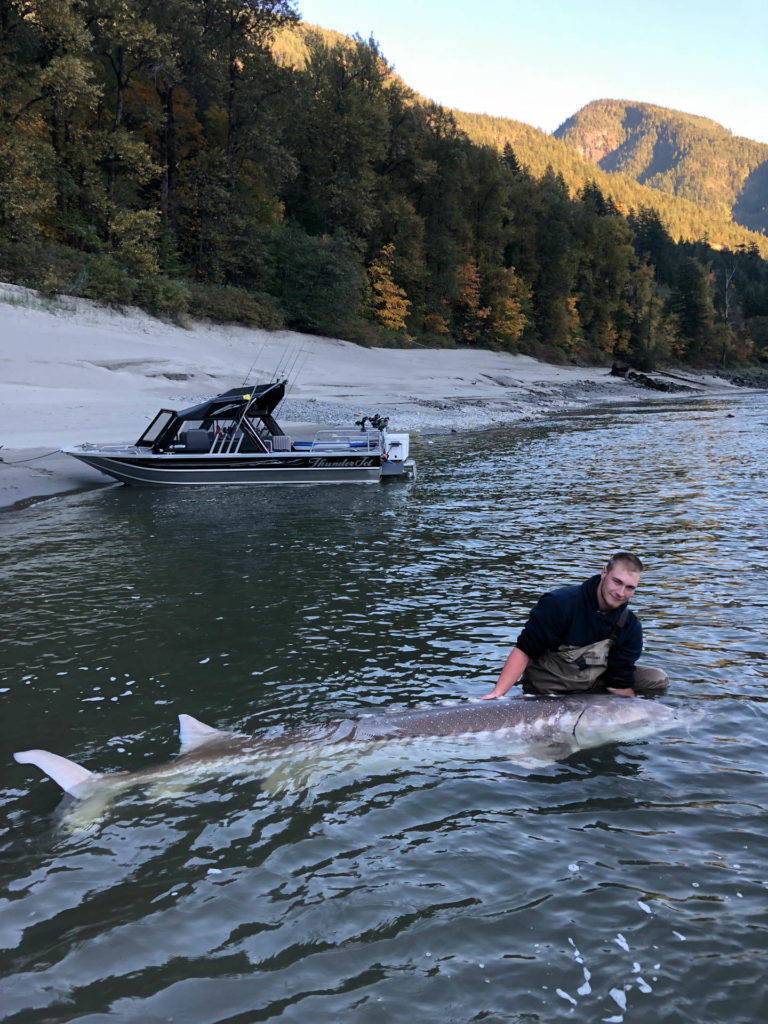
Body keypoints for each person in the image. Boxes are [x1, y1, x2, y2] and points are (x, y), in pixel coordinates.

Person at [482, 552, 668, 700]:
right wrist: (498, 694)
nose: (621, 593)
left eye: (630, 588)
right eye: (617, 582)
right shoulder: (560, 604)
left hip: (591, 685)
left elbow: (619, 680)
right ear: (604, 573)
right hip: (548, 689)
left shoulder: (630, 625)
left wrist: (632, 713)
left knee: (656, 679)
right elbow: (524, 650)